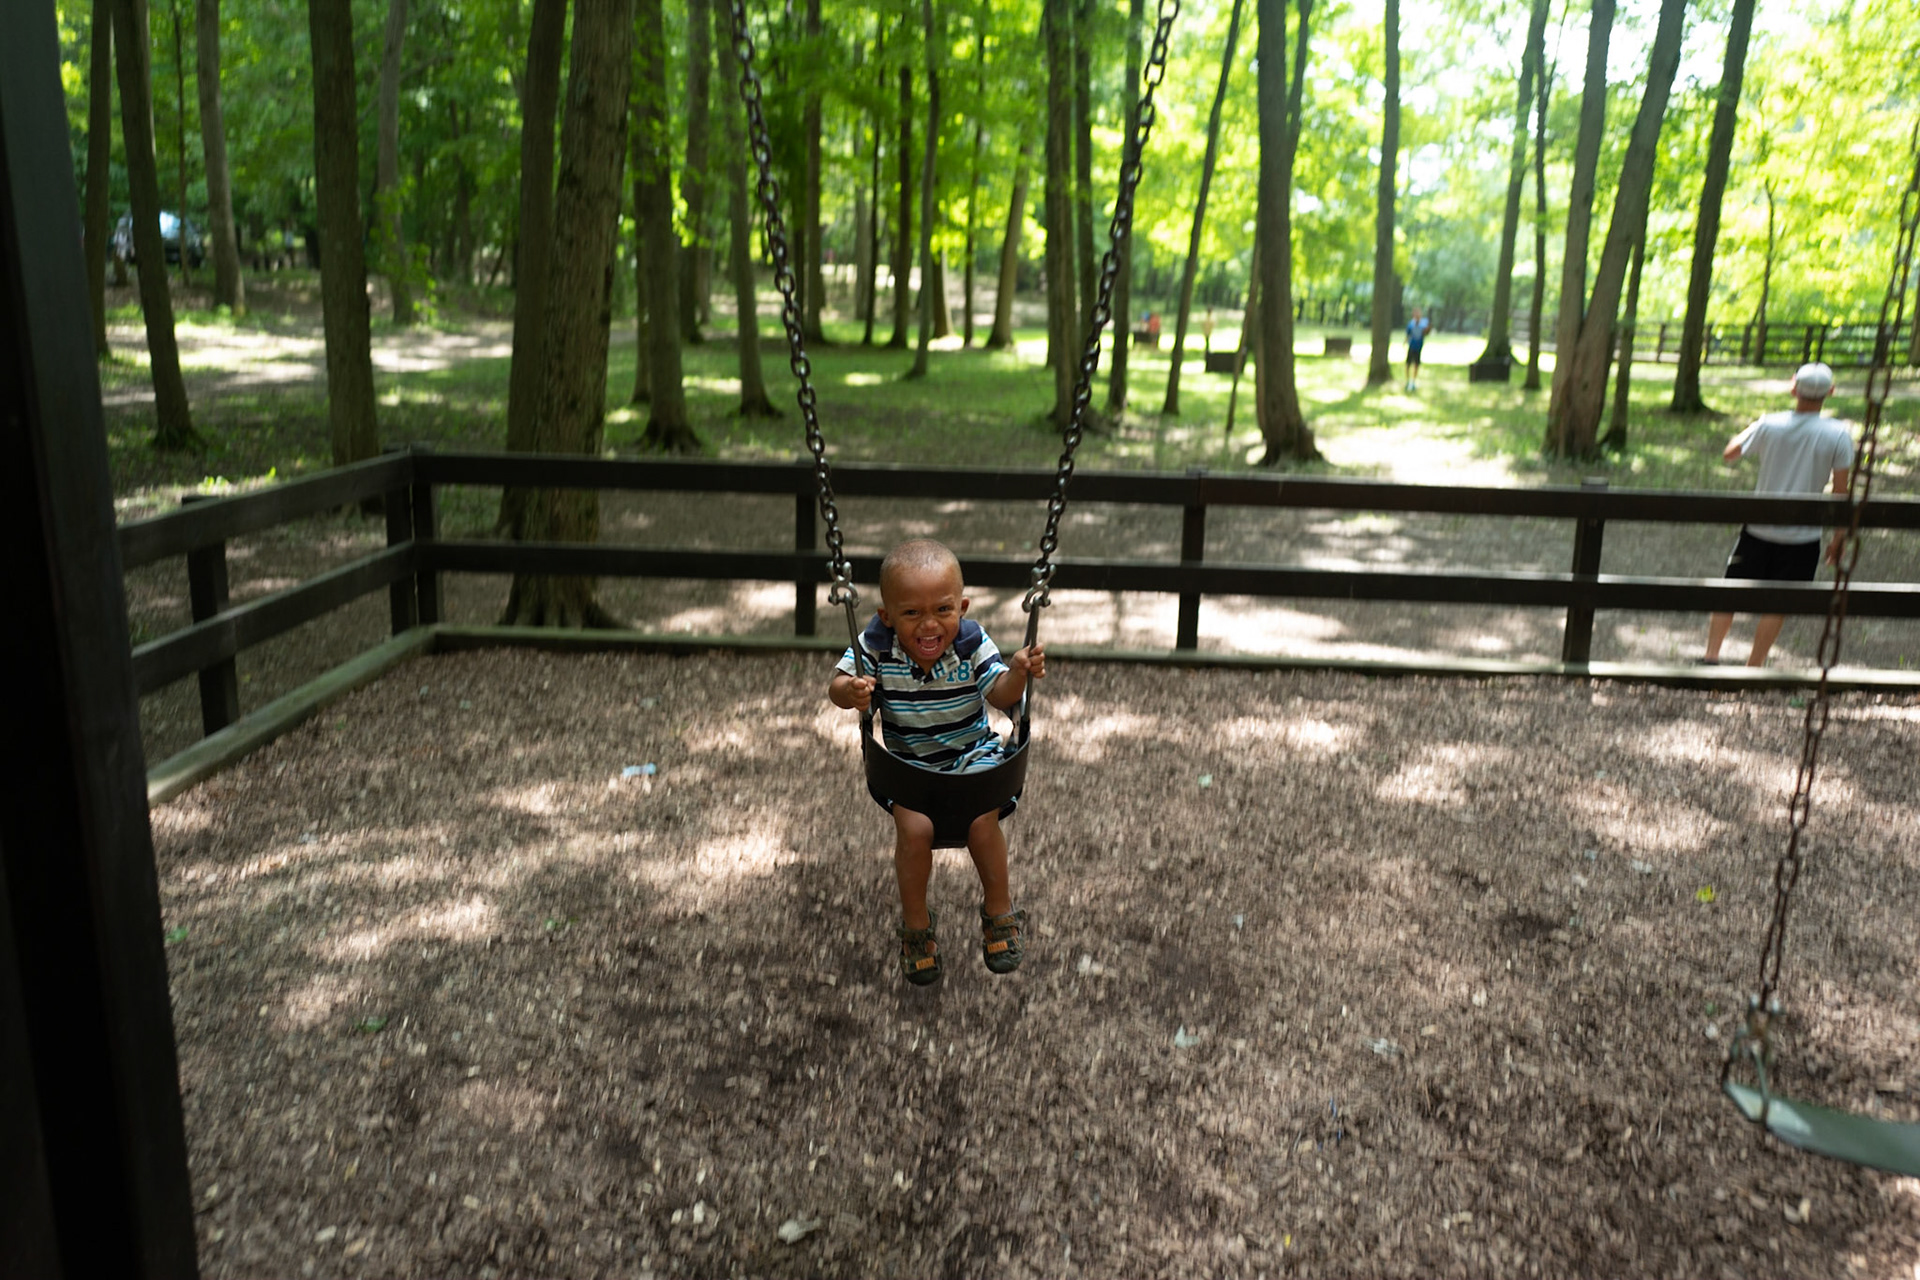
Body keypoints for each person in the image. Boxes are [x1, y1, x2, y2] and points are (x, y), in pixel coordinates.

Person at [829, 540, 1046, 986]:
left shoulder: (970, 642)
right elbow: (837, 685)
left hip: (973, 757)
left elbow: (1002, 696)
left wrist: (1018, 673)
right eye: (912, 613)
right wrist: (849, 691)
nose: (929, 624)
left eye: (943, 610)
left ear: (961, 608)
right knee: (913, 831)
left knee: (982, 823)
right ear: (888, 616)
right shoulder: (876, 645)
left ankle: (999, 911)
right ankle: (916, 926)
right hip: (910, 769)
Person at [1703, 362, 1855, 667]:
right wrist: (1838, 538)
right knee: (1778, 604)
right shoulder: (1838, 434)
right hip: (1803, 538)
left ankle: (1711, 657)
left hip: (1757, 531)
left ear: (1793, 388)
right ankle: (1754, 666)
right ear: (1831, 392)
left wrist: (1757, 426)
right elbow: (1841, 493)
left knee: (1730, 593)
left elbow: (1730, 453)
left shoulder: (1770, 424)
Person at [1404, 308, 1432, 392]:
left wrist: (1428, 328)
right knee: (1408, 364)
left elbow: (1426, 333)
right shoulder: (1411, 324)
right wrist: (1405, 342)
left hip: (1418, 347)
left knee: (1416, 364)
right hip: (1411, 346)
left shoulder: (1424, 323)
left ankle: (1413, 382)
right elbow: (1408, 334)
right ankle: (1407, 381)